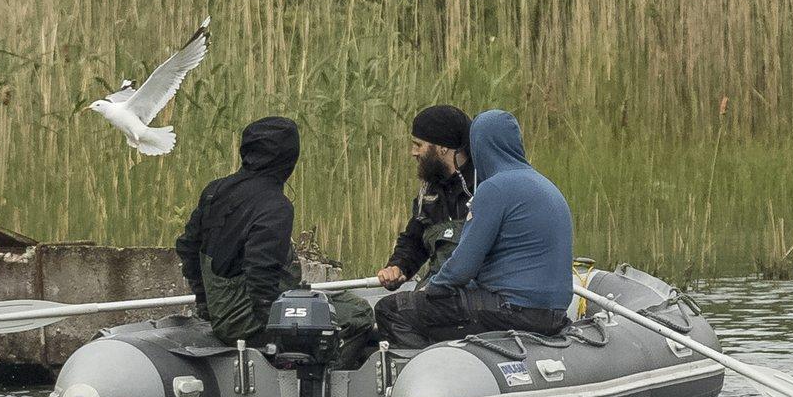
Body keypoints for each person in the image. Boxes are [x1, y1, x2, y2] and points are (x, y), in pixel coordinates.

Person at [371, 109, 572, 348]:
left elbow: (462, 267)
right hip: (553, 311)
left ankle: (425, 372)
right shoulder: (545, 185)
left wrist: (429, 291)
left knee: (392, 310)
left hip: (511, 308)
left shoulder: (493, 189)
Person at [175, 117, 371, 358]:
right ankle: (321, 378)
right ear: (289, 158)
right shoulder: (276, 206)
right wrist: (280, 328)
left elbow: (187, 247)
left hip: (221, 317)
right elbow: (261, 273)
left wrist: (205, 304)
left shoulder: (215, 190)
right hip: (249, 323)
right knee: (357, 312)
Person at [376, 105, 474, 292]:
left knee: (389, 311)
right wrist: (398, 267)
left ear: (443, 148)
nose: (414, 152)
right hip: (441, 288)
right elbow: (415, 238)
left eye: (418, 145)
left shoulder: (483, 186)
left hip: (476, 290)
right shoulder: (430, 189)